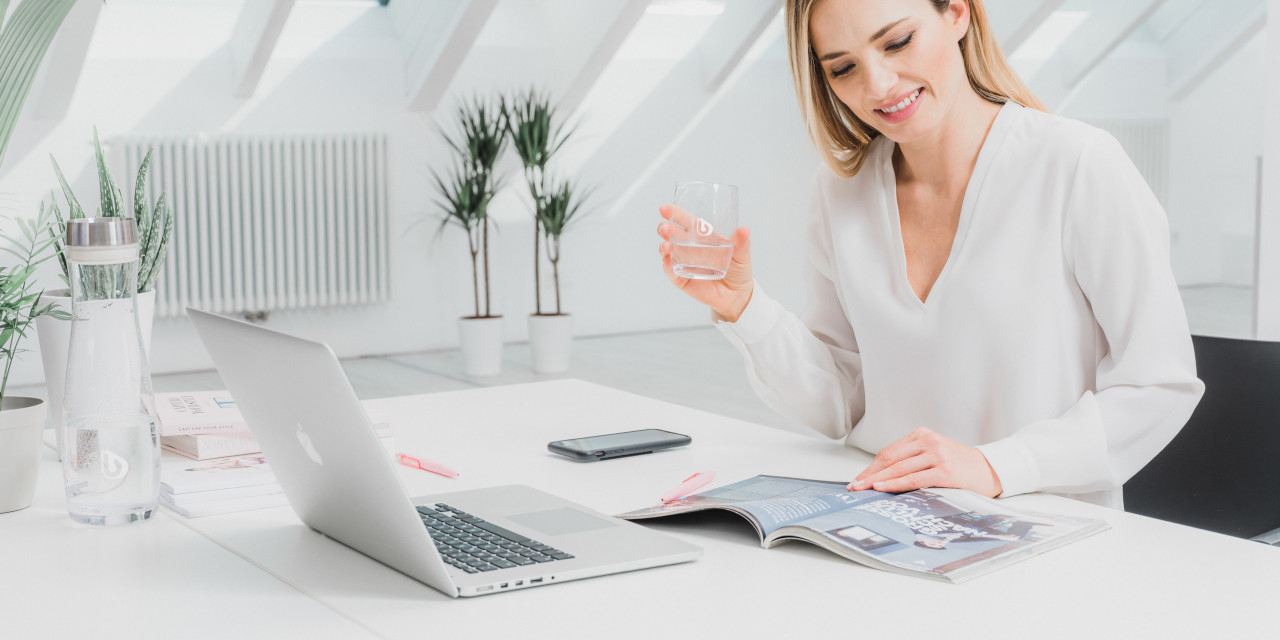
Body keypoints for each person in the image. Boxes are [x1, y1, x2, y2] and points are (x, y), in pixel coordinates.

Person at [655, 0, 1204, 508]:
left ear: (958, 13)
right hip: (886, 525)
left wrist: (994, 466)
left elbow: (1158, 383)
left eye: (897, 42)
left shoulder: (1077, 165)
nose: (879, 84)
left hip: (1041, 538)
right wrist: (743, 308)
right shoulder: (838, 194)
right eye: (842, 68)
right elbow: (840, 403)